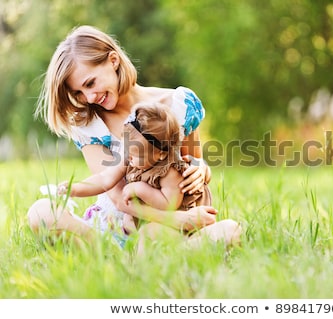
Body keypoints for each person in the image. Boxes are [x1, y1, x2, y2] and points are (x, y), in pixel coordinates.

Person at [27, 25, 241, 249]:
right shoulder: (90, 125)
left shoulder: (178, 103)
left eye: (90, 83)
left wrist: (200, 169)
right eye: (78, 92)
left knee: (230, 231)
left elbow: (194, 160)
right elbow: (119, 197)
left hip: (170, 228)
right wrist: (177, 219)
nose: (89, 97)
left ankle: (152, 256)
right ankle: (122, 255)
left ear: (113, 60)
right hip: (118, 227)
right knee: (41, 213)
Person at [57, 101, 212, 237]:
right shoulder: (131, 156)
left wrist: (140, 188)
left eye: (134, 154)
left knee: (151, 233)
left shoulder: (171, 172)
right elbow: (105, 179)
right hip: (154, 220)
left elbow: (168, 204)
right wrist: (75, 189)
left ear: (161, 154)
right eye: (127, 150)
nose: (128, 158)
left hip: (180, 221)